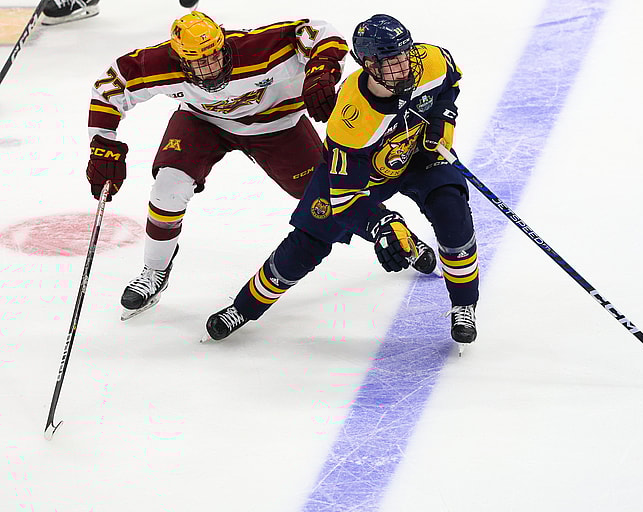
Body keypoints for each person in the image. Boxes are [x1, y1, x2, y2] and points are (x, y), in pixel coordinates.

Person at [85, 11, 436, 320]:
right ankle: (154, 271)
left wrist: (322, 70)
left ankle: (396, 233)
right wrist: (103, 144)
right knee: (168, 188)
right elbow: (108, 89)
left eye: (215, 56)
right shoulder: (156, 63)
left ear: (224, 43)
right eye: (198, 63)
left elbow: (321, 32)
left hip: (278, 126)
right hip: (203, 122)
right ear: (179, 60)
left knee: (327, 198)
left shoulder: (259, 47)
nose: (210, 68)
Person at [203, 14, 479, 347]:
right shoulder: (350, 118)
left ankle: (463, 304)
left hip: (418, 154)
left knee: (453, 212)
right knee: (306, 244)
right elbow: (345, 199)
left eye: (404, 54)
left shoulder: (429, 60)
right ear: (368, 65)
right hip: (359, 176)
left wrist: (441, 120)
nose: (403, 67)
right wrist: (381, 224)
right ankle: (243, 308)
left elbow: (450, 84)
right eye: (390, 62)